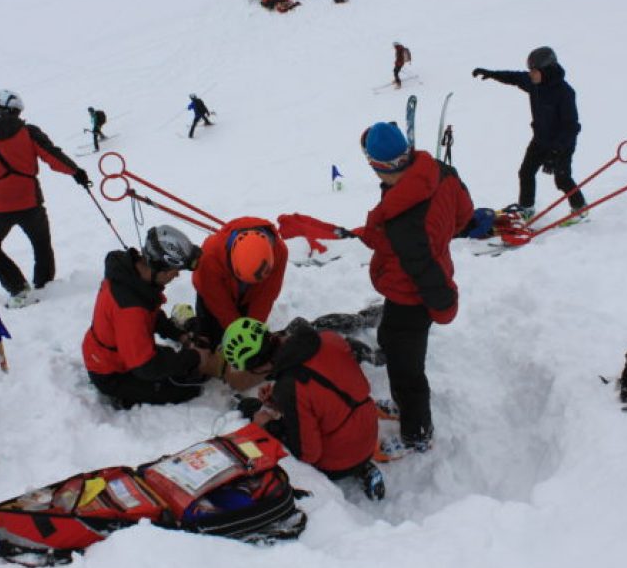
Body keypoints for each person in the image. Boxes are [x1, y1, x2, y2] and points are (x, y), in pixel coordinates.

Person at [358, 121, 474, 453]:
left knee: (407, 368)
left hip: (413, 296)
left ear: (379, 167)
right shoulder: (442, 172)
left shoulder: (404, 221)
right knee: (393, 343)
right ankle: (405, 406)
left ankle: (417, 432)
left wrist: (443, 304)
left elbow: (424, 271)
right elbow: (463, 215)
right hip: (406, 289)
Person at [0, 90, 90, 308]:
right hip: (30, 202)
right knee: (41, 244)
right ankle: (45, 288)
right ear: (14, 110)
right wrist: (76, 172)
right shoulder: (28, 133)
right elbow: (52, 155)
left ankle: (17, 287)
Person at [222, 317, 384, 500]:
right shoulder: (326, 338)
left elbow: (309, 454)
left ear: (258, 364)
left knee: (261, 419)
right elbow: (329, 385)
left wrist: (268, 425)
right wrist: (283, 397)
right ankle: (361, 465)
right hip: (369, 428)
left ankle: (350, 467)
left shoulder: (291, 386)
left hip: (339, 457)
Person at [83, 225, 219, 409]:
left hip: (119, 352)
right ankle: (123, 396)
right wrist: (195, 357)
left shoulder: (132, 279)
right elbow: (146, 366)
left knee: (178, 363)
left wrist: (180, 336)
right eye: (174, 270)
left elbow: (151, 315)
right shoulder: (130, 309)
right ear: (159, 269)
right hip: (111, 372)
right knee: (189, 387)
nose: (176, 274)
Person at [472, 46, 587, 221]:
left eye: (534, 71)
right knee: (526, 172)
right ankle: (526, 208)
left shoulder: (565, 93)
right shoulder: (535, 84)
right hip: (540, 140)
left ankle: (580, 209)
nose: (530, 74)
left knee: (562, 179)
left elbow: (571, 127)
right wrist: (491, 73)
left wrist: (556, 152)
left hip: (562, 143)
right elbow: (513, 77)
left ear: (546, 71)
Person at [191, 217, 288, 349]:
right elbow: (217, 300)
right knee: (211, 341)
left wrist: (252, 330)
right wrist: (237, 330)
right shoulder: (210, 255)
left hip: (246, 298)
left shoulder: (279, 252)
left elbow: (265, 296)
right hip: (214, 295)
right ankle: (187, 322)